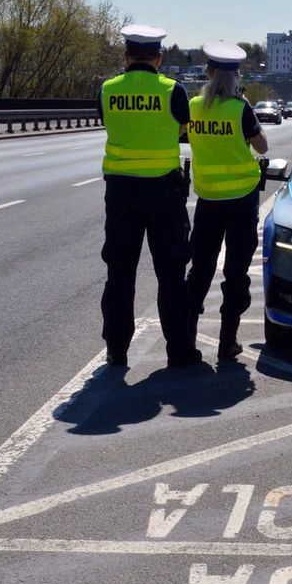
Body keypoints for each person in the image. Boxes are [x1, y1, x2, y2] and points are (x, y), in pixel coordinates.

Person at [98, 24, 201, 368]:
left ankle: (116, 349)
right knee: (171, 274)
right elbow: (183, 131)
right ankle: (179, 350)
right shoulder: (173, 90)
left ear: (126, 57)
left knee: (120, 274)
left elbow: (107, 122)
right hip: (163, 193)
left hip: (121, 193)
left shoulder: (107, 89)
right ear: (158, 58)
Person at [186, 42, 269, 359]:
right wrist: (246, 107)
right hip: (241, 202)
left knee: (201, 269)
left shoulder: (194, 106)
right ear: (236, 77)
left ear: (208, 74)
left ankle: (187, 337)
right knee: (236, 270)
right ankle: (227, 341)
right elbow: (261, 147)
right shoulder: (241, 108)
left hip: (208, 199)